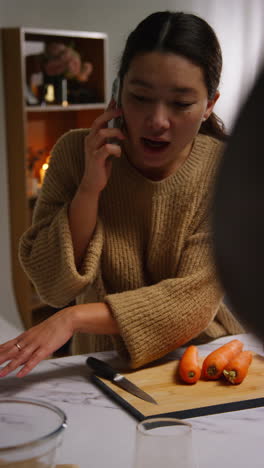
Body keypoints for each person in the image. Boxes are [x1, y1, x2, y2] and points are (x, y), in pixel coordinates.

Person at [0, 11, 244, 378]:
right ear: (117, 91)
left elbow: (191, 302)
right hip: (99, 369)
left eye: (180, 104)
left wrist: (74, 319)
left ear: (210, 104)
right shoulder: (73, 154)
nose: (157, 120)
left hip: (203, 366)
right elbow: (51, 286)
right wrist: (89, 189)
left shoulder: (226, 170)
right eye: (141, 97)